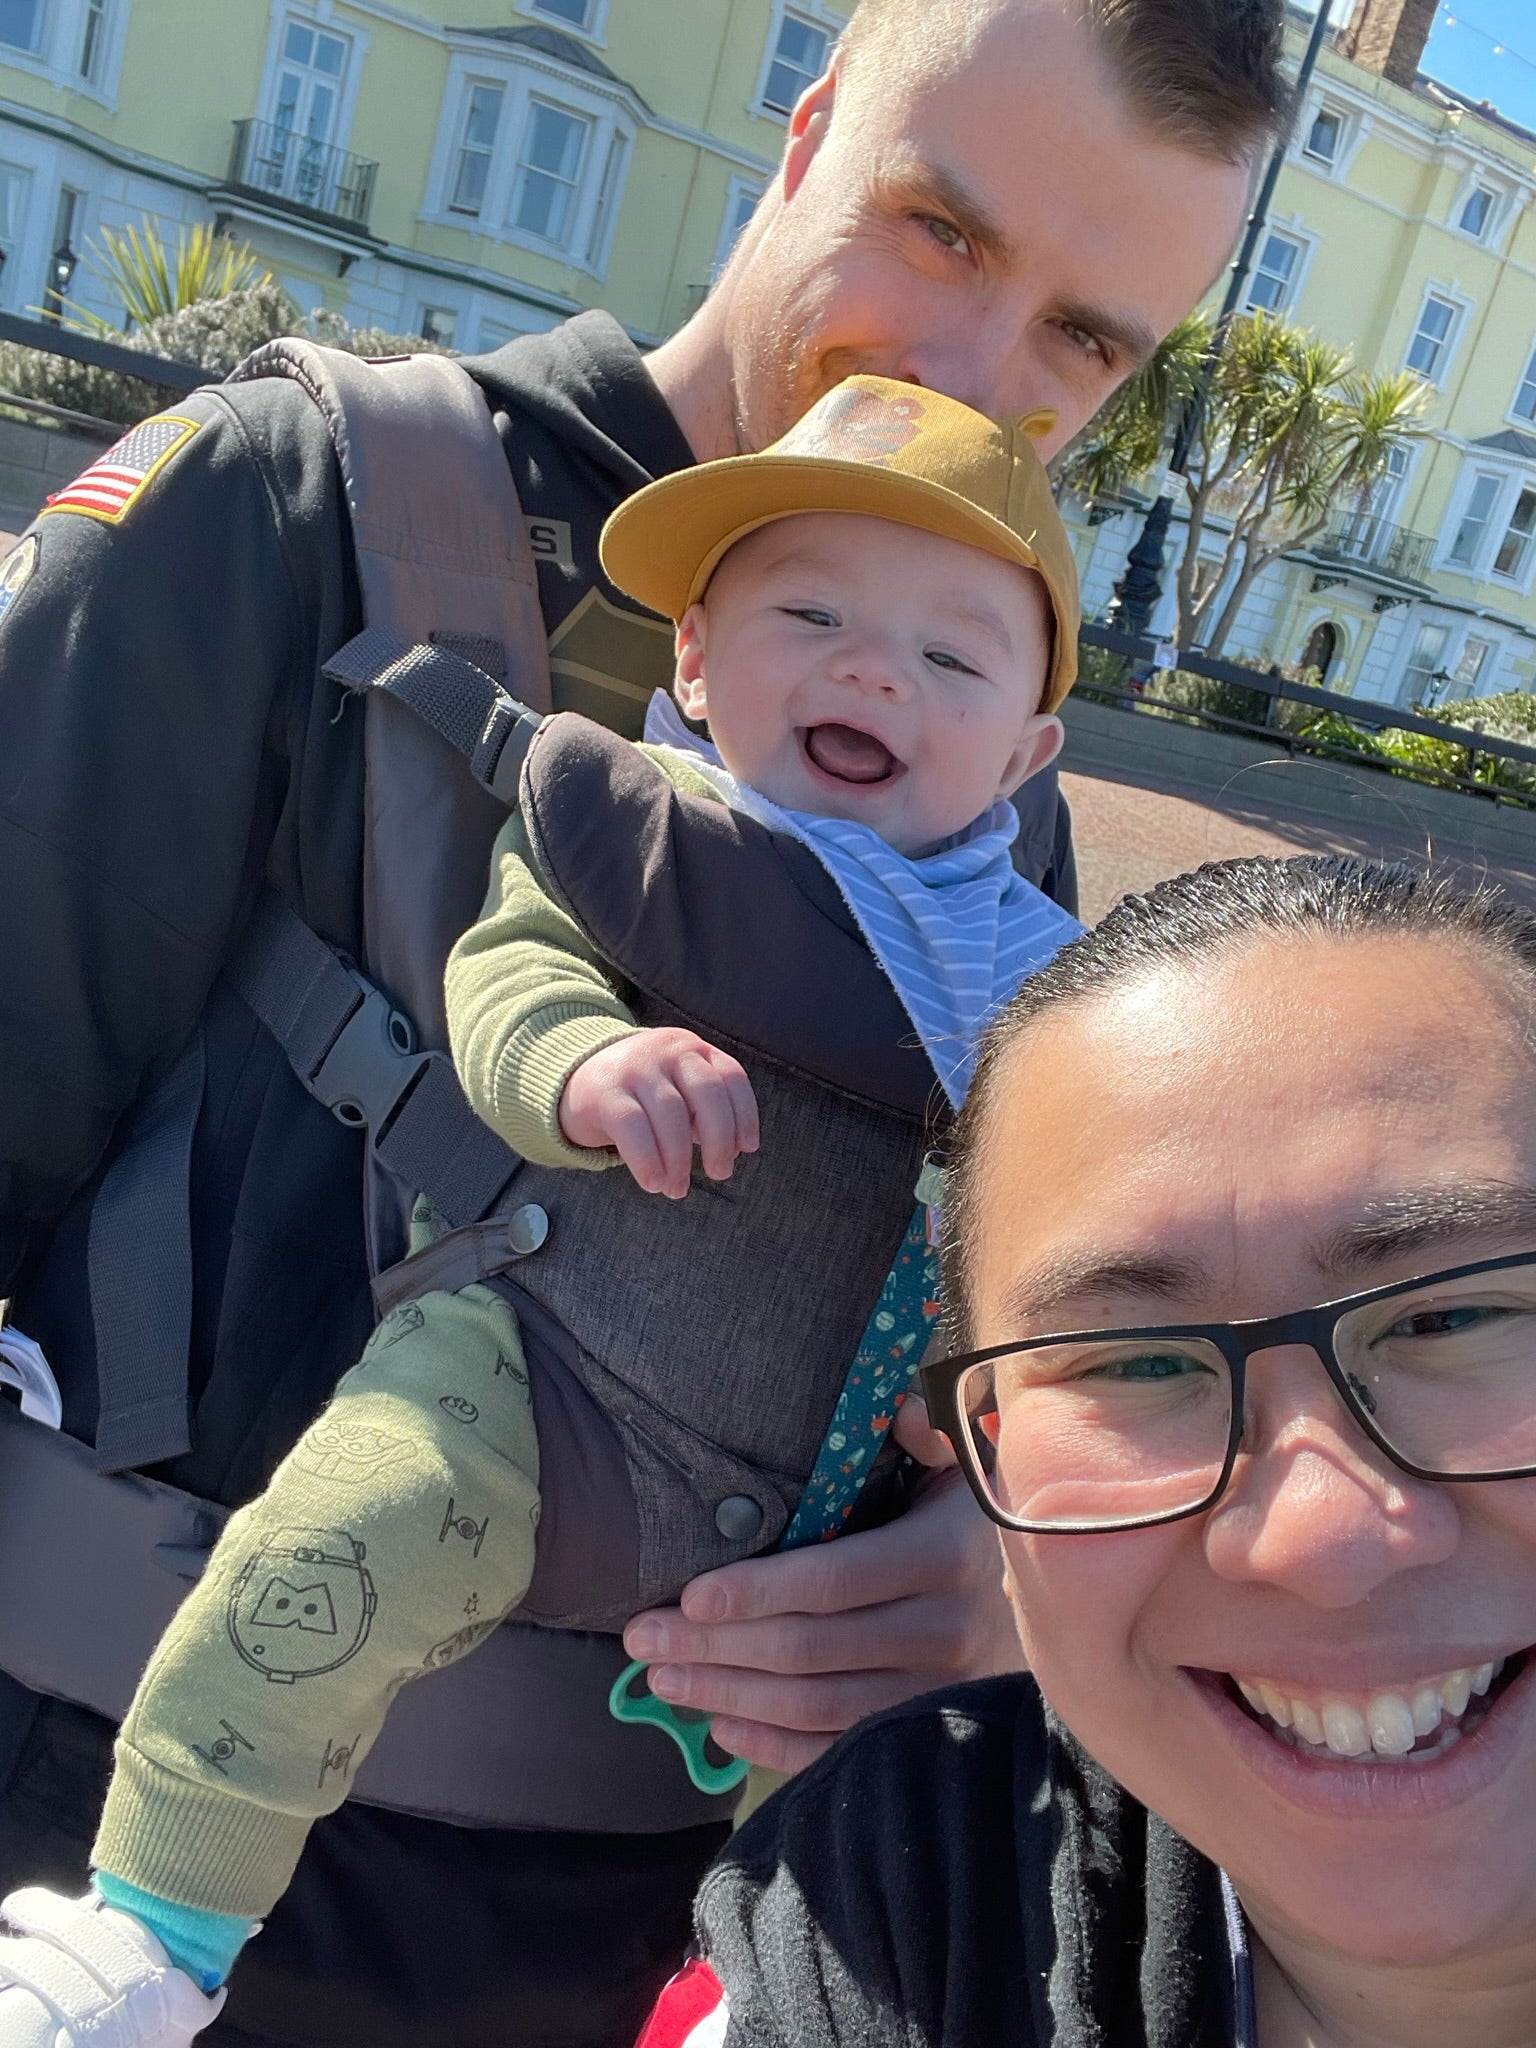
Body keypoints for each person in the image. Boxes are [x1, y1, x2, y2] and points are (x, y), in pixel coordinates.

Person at [0, 3, 1285, 2040]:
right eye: (940, 231)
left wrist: (975, 1553)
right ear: (801, 143)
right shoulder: (298, 504)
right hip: (78, 1893)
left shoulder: (978, 794)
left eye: (1086, 340)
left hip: (620, 1947)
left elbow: (1011, 1324)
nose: (976, 370)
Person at [0, 372, 1085, 2040]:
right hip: (544, 1379)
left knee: (853, 1746)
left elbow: (1044, 1209)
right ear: (699, 664)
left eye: (952, 657)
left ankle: (759, 1991)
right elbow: (504, 973)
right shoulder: (646, 827)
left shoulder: (1022, 968)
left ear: (1022, 757)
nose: (876, 669)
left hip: (815, 1468)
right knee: (322, 1566)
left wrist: (981, 1365)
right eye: (811, 613)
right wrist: (583, 1064)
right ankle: (150, 1924)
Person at [643, 853, 1536, 2048]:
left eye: (1450, 1315)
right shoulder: (890, 1909)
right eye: (1135, 1363)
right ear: (990, 1475)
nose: (1320, 1535)